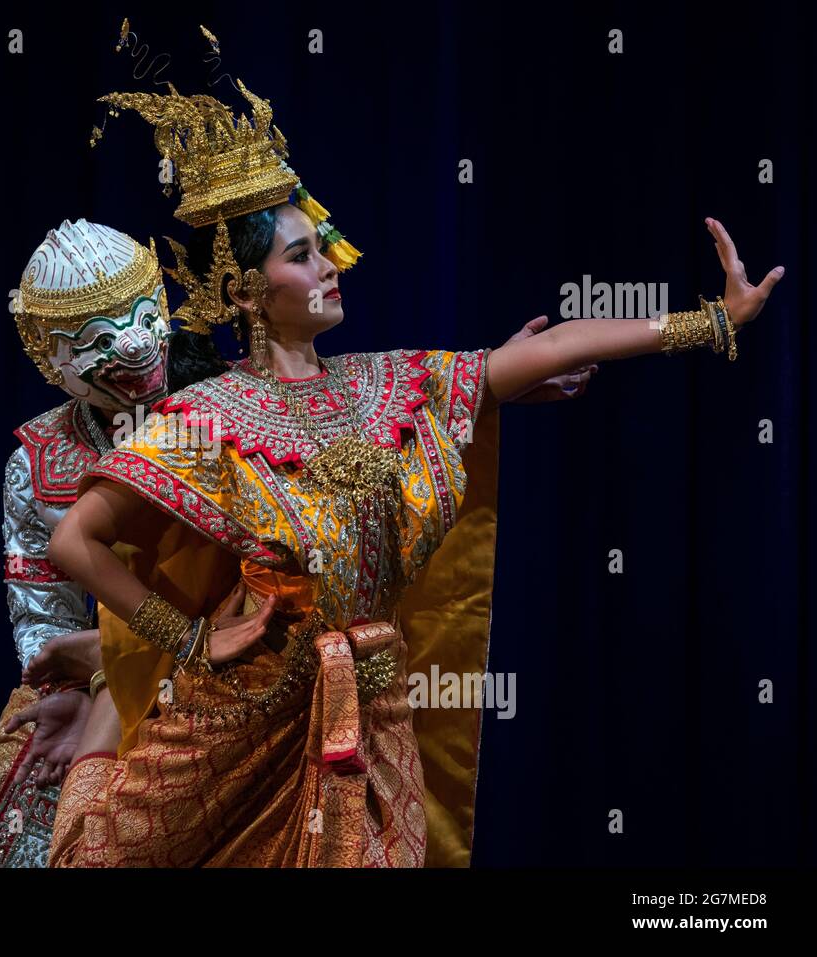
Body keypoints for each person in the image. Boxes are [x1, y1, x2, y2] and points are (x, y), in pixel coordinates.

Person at [45, 64, 783, 867]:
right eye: (304, 254)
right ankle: (94, 715)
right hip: (236, 718)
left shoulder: (390, 384)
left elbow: (552, 346)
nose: (332, 262)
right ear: (246, 290)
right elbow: (76, 540)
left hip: (366, 711)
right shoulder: (202, 417)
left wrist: (711, 320)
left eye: (323, 245)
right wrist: (186, 641)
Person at [0, 219, 175, 867]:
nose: (134, 348)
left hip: (212, 684)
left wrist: (119, 650)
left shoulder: (223, 412)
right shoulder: (38, 464)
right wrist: (80, 680)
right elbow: (44, 621)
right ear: (49, 357)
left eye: (144, 316)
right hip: (87, 691)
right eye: (98, 338)